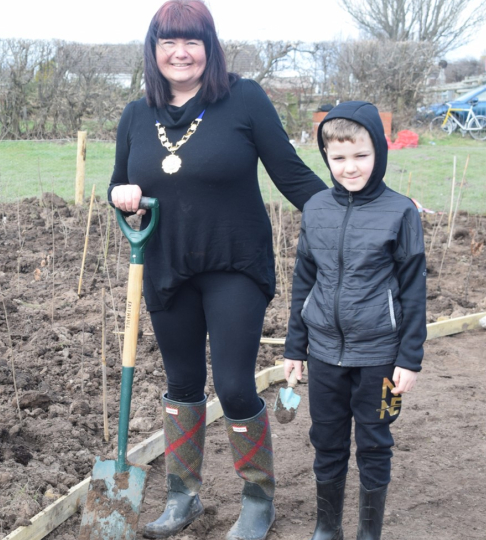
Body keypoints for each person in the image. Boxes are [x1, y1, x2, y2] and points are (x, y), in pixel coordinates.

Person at [107, 1, 327, 538]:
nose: (180, 53)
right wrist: (122, 196)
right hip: (166, 265)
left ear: (210, 47)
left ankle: (257, 497)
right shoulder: (136, 116)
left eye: (192, 41)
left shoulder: (243, 99)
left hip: (234, 263)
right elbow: (118, 187)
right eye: (168, 42)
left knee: (232, 384)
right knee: (181, 384)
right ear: (153, 49)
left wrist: (366, 210)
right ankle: (183, 496)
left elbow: (292, 175)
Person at [283, 101, 427, 540]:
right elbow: (304, 278)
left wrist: (410, 357)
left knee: (374, 443)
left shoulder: (400, 212)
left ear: (379, 152)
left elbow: (413, 289)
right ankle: (328, 526)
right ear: (326, 157)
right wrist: (294, 347)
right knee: (326, 442)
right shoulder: (316, 208)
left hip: (380, 358)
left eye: (361, 156)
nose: (350, 167)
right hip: (325, 354)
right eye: (339, 157)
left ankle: (369, 532)